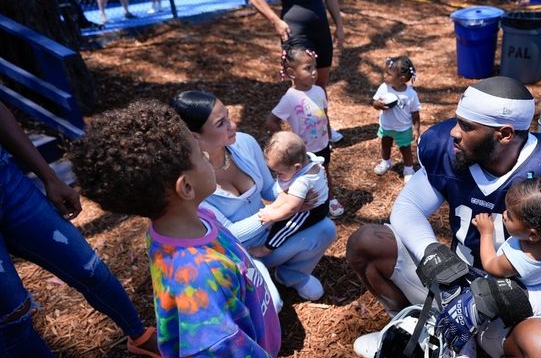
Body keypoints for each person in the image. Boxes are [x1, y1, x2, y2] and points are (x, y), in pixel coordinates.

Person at [347, 76, 541, 358]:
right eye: (457, 121)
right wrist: (433, 254)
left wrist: (503, 300)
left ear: (505, 134)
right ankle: (413, 325)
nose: (453, 132)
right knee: (368, 241)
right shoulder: (450, 151)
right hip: (452, 286)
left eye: (466, 126)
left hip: (511, 310)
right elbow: (407, 209)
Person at [71, 100, 281, 357]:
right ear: (186, 188)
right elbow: (219, 348)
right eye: (198, 153)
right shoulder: (200, 281)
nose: (206, 155)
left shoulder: (192, 219)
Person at [0, 102, 158, 358]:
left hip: (8, 183)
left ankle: (139, 335)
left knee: (89, 267)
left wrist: (49, 177)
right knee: (12, 316)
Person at [171, 90, 336, 302]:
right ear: (195, 136)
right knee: (273, 304)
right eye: (221, 123)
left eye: (229, 116)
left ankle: (293, 275)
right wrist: (273, 214)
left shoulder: (245, 143)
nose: (233, 126)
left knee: (325, 229)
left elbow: (268, 189)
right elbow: (227, 235)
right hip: (238, 253)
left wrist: (297, 188)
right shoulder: (190, 183)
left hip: (271, 235)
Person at [246, 0, 345, 143]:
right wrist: (275, 21)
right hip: (295, 32)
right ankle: (304, 135)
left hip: (321, 31)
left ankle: (324, 128)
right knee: (302, 87)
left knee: (319, 85)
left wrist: (338, 23)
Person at [266, 41, 344, 218]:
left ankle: (329, 199)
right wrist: (286, 141)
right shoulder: (290, 98)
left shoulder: (319, 91)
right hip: (304, 151)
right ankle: (302, 205)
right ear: (292, 73)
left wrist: (329, 131)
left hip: (322, 143)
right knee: (304, 179)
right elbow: (271, 122)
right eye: (308, 68)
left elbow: (324, 113)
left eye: (315, 67)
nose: (314, 72)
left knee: (324, 171)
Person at [252, 131, 330, 257]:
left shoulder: (301, 182)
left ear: (297, 167)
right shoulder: (308, 158)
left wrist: (272, 216)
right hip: (317, 202)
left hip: (311, 211)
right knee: (281, 216)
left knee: (286, 226)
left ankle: (268, 248)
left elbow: (292, 208)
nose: (277, 176)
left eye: (280, 173)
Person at [372, 56, 421, 183]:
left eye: (389, 74)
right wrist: (378, 105)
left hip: (403, 128)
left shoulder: (410, 94)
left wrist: (416, 129)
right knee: (385, 145)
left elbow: (415, 113)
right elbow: (375, 103)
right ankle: (386, 162)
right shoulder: (384, 87)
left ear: (402, 79)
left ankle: (409, 169)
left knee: (405, 149)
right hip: (386, 126)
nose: (385, 76)